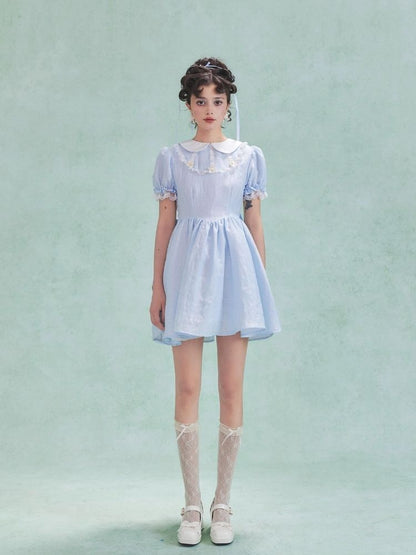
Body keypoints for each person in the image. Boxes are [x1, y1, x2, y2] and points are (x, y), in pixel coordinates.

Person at [149, 57, 281, 546]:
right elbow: (165, 224)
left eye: (217, 101)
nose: (209, 108)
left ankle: (222, 504)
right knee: (187, 387)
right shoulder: (172, 158)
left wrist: (258, 285)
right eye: (200, 100)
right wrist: (158, 287)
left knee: (230, 388)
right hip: (186, 274)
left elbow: (254, 223)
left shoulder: (247, 156)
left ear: (228, 106)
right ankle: (191, 504)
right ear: (188, 104)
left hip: (236, 275)